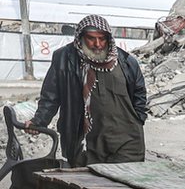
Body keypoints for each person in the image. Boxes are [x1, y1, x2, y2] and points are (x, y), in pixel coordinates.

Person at [27, 14, 147, 167]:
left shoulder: (126, 62)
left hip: (127, 142)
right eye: (91, 38)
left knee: (124, 181)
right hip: (85, 143)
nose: (97, 44)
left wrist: (138, 119)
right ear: (81, 37)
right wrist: (39, 121)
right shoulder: (65, 58)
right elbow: (51, 96)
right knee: (86, 181)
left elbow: (139, 93)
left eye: (102, 39)